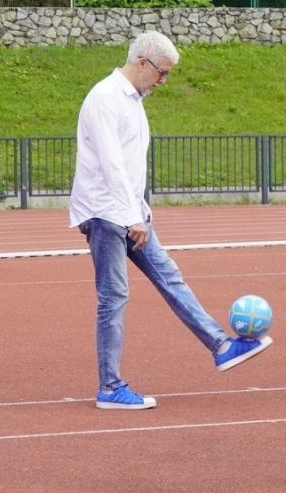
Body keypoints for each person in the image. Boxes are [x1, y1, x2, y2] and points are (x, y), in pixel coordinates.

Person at [69, 31, 271, 410]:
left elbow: (131, 165)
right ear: (142, 62)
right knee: (113, 296)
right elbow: (111, 164)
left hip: (130, 212)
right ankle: (110, 388)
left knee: (169, 275)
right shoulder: (105, 97)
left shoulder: (133, 100)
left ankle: (221, 346)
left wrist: (142, 211)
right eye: (161, 73)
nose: (163, 81)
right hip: (106, 213)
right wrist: (133, 215)